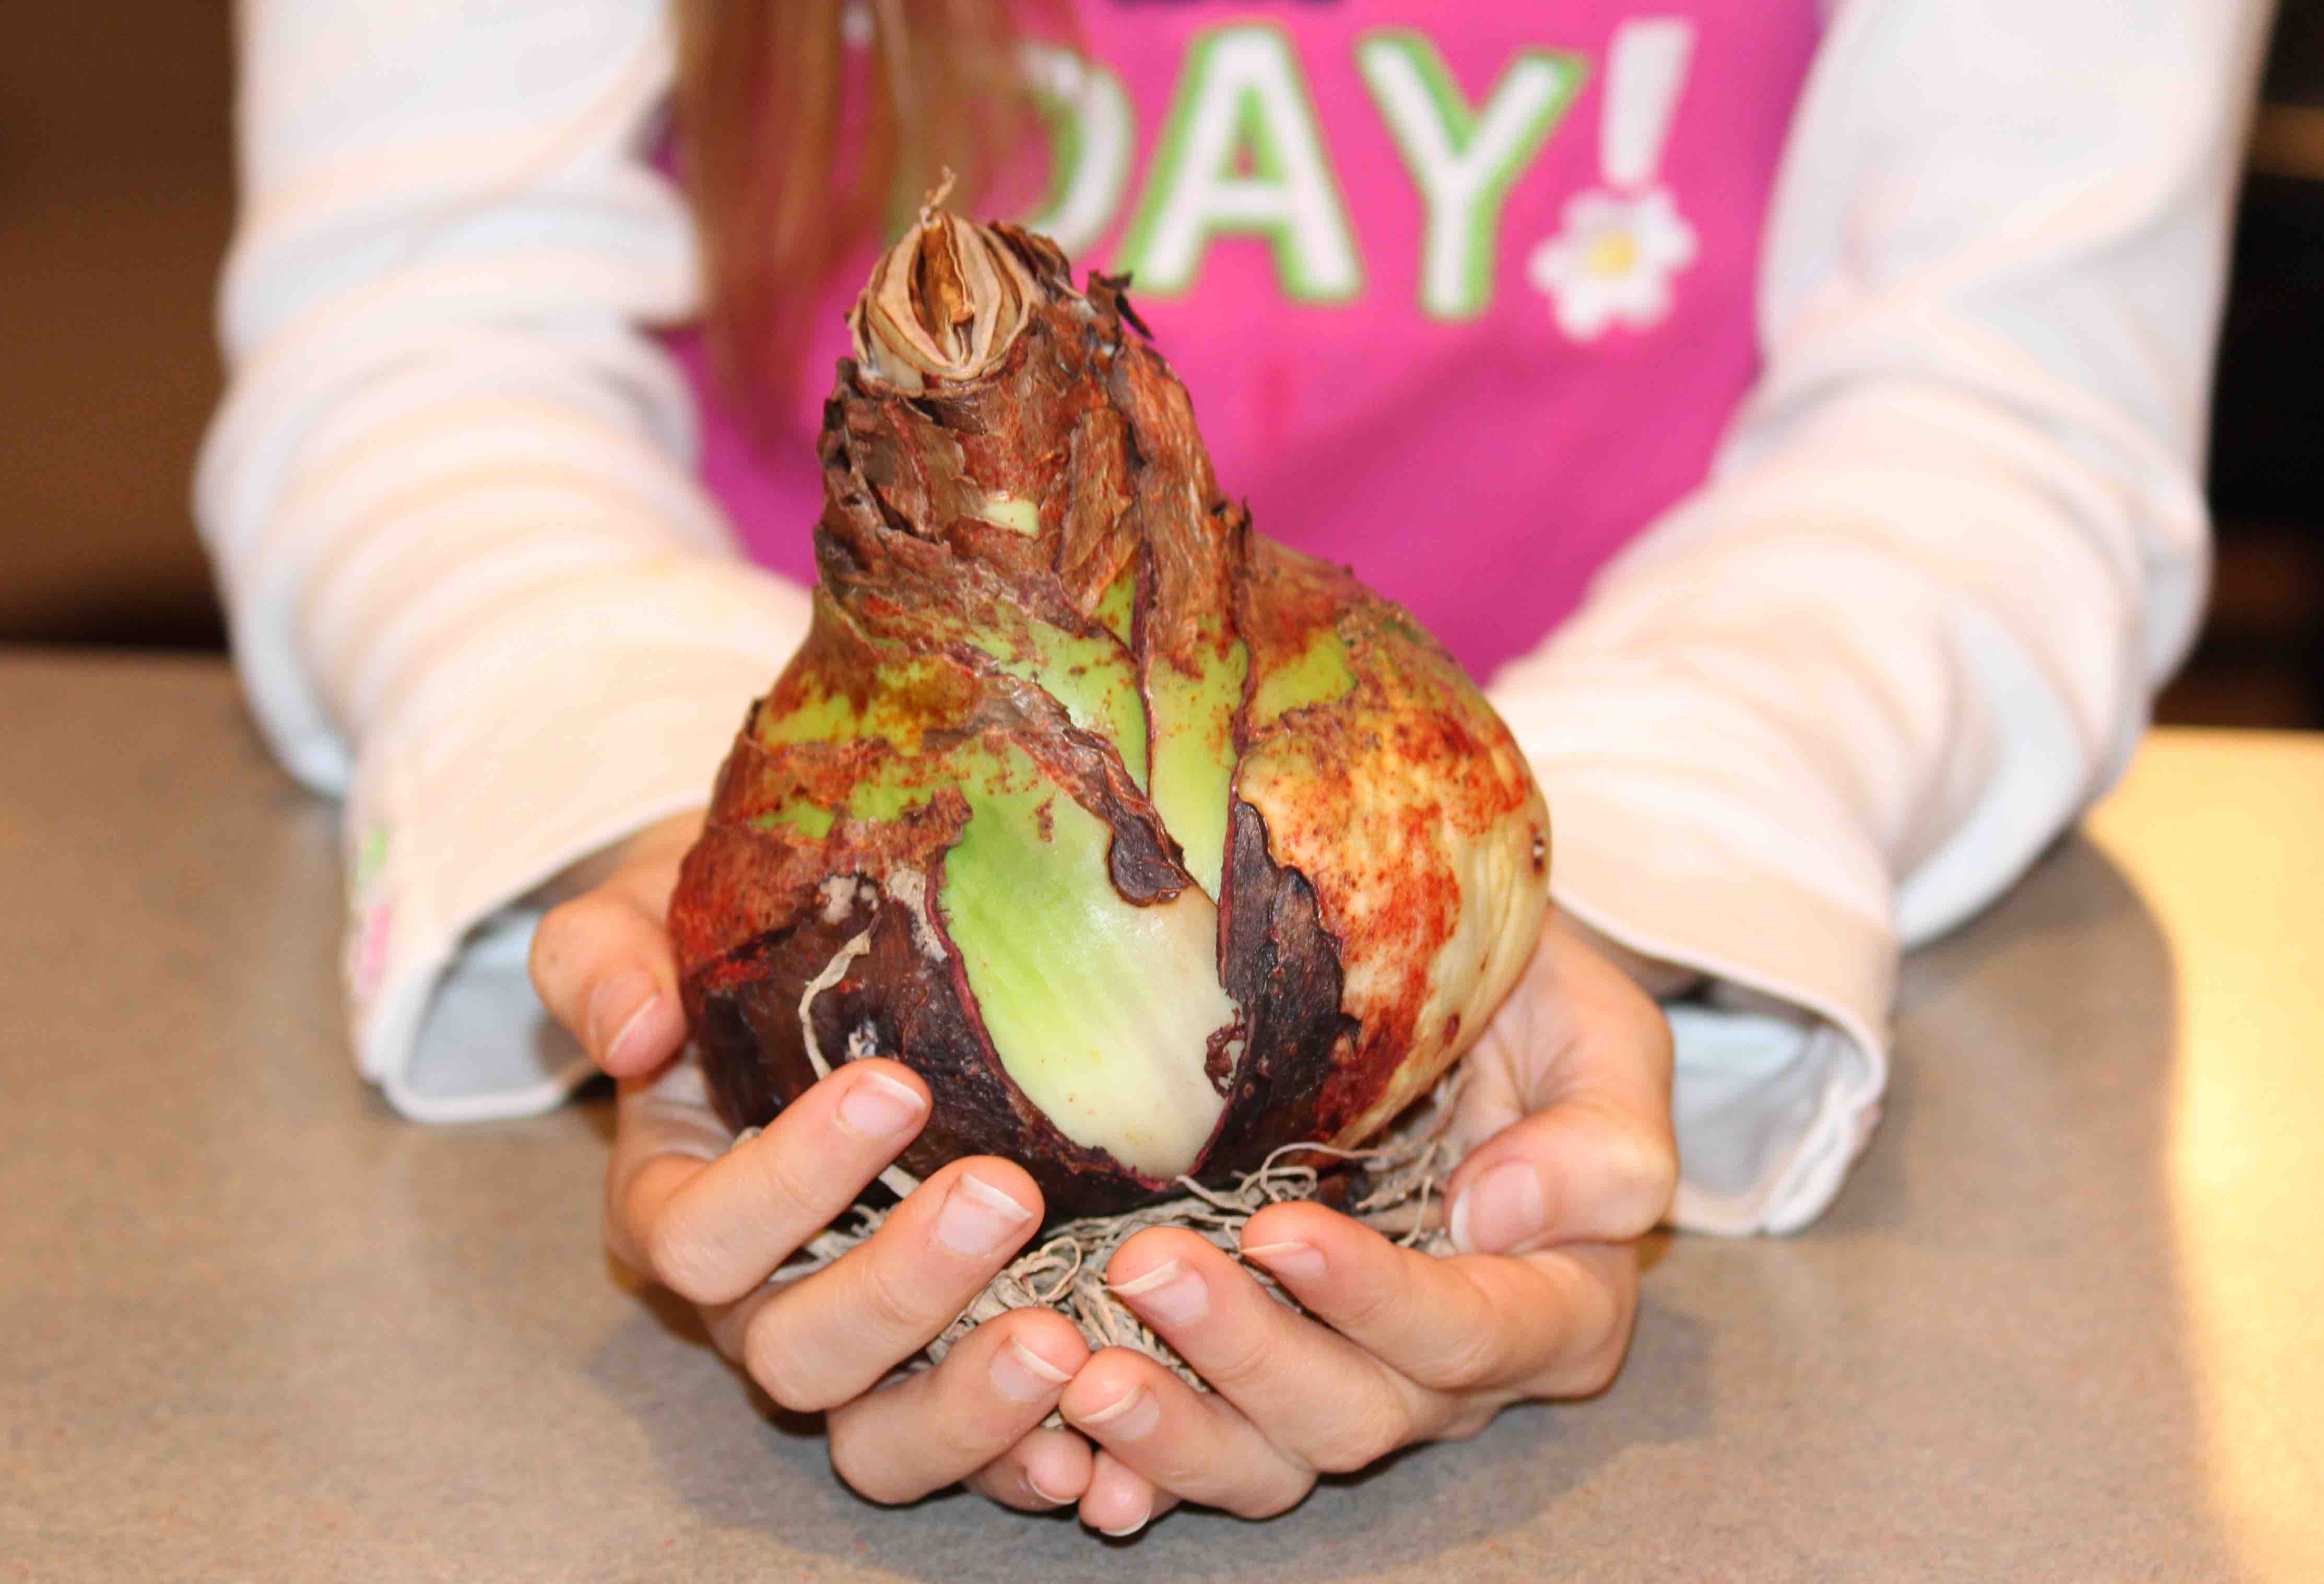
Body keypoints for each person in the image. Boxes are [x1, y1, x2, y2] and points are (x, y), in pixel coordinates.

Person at [197, 0, 2271, 1538]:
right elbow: (423, 323)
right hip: (768, 729)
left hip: (1650, 753)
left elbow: (2000, 418)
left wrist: (1582, 912)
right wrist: (687, 855)